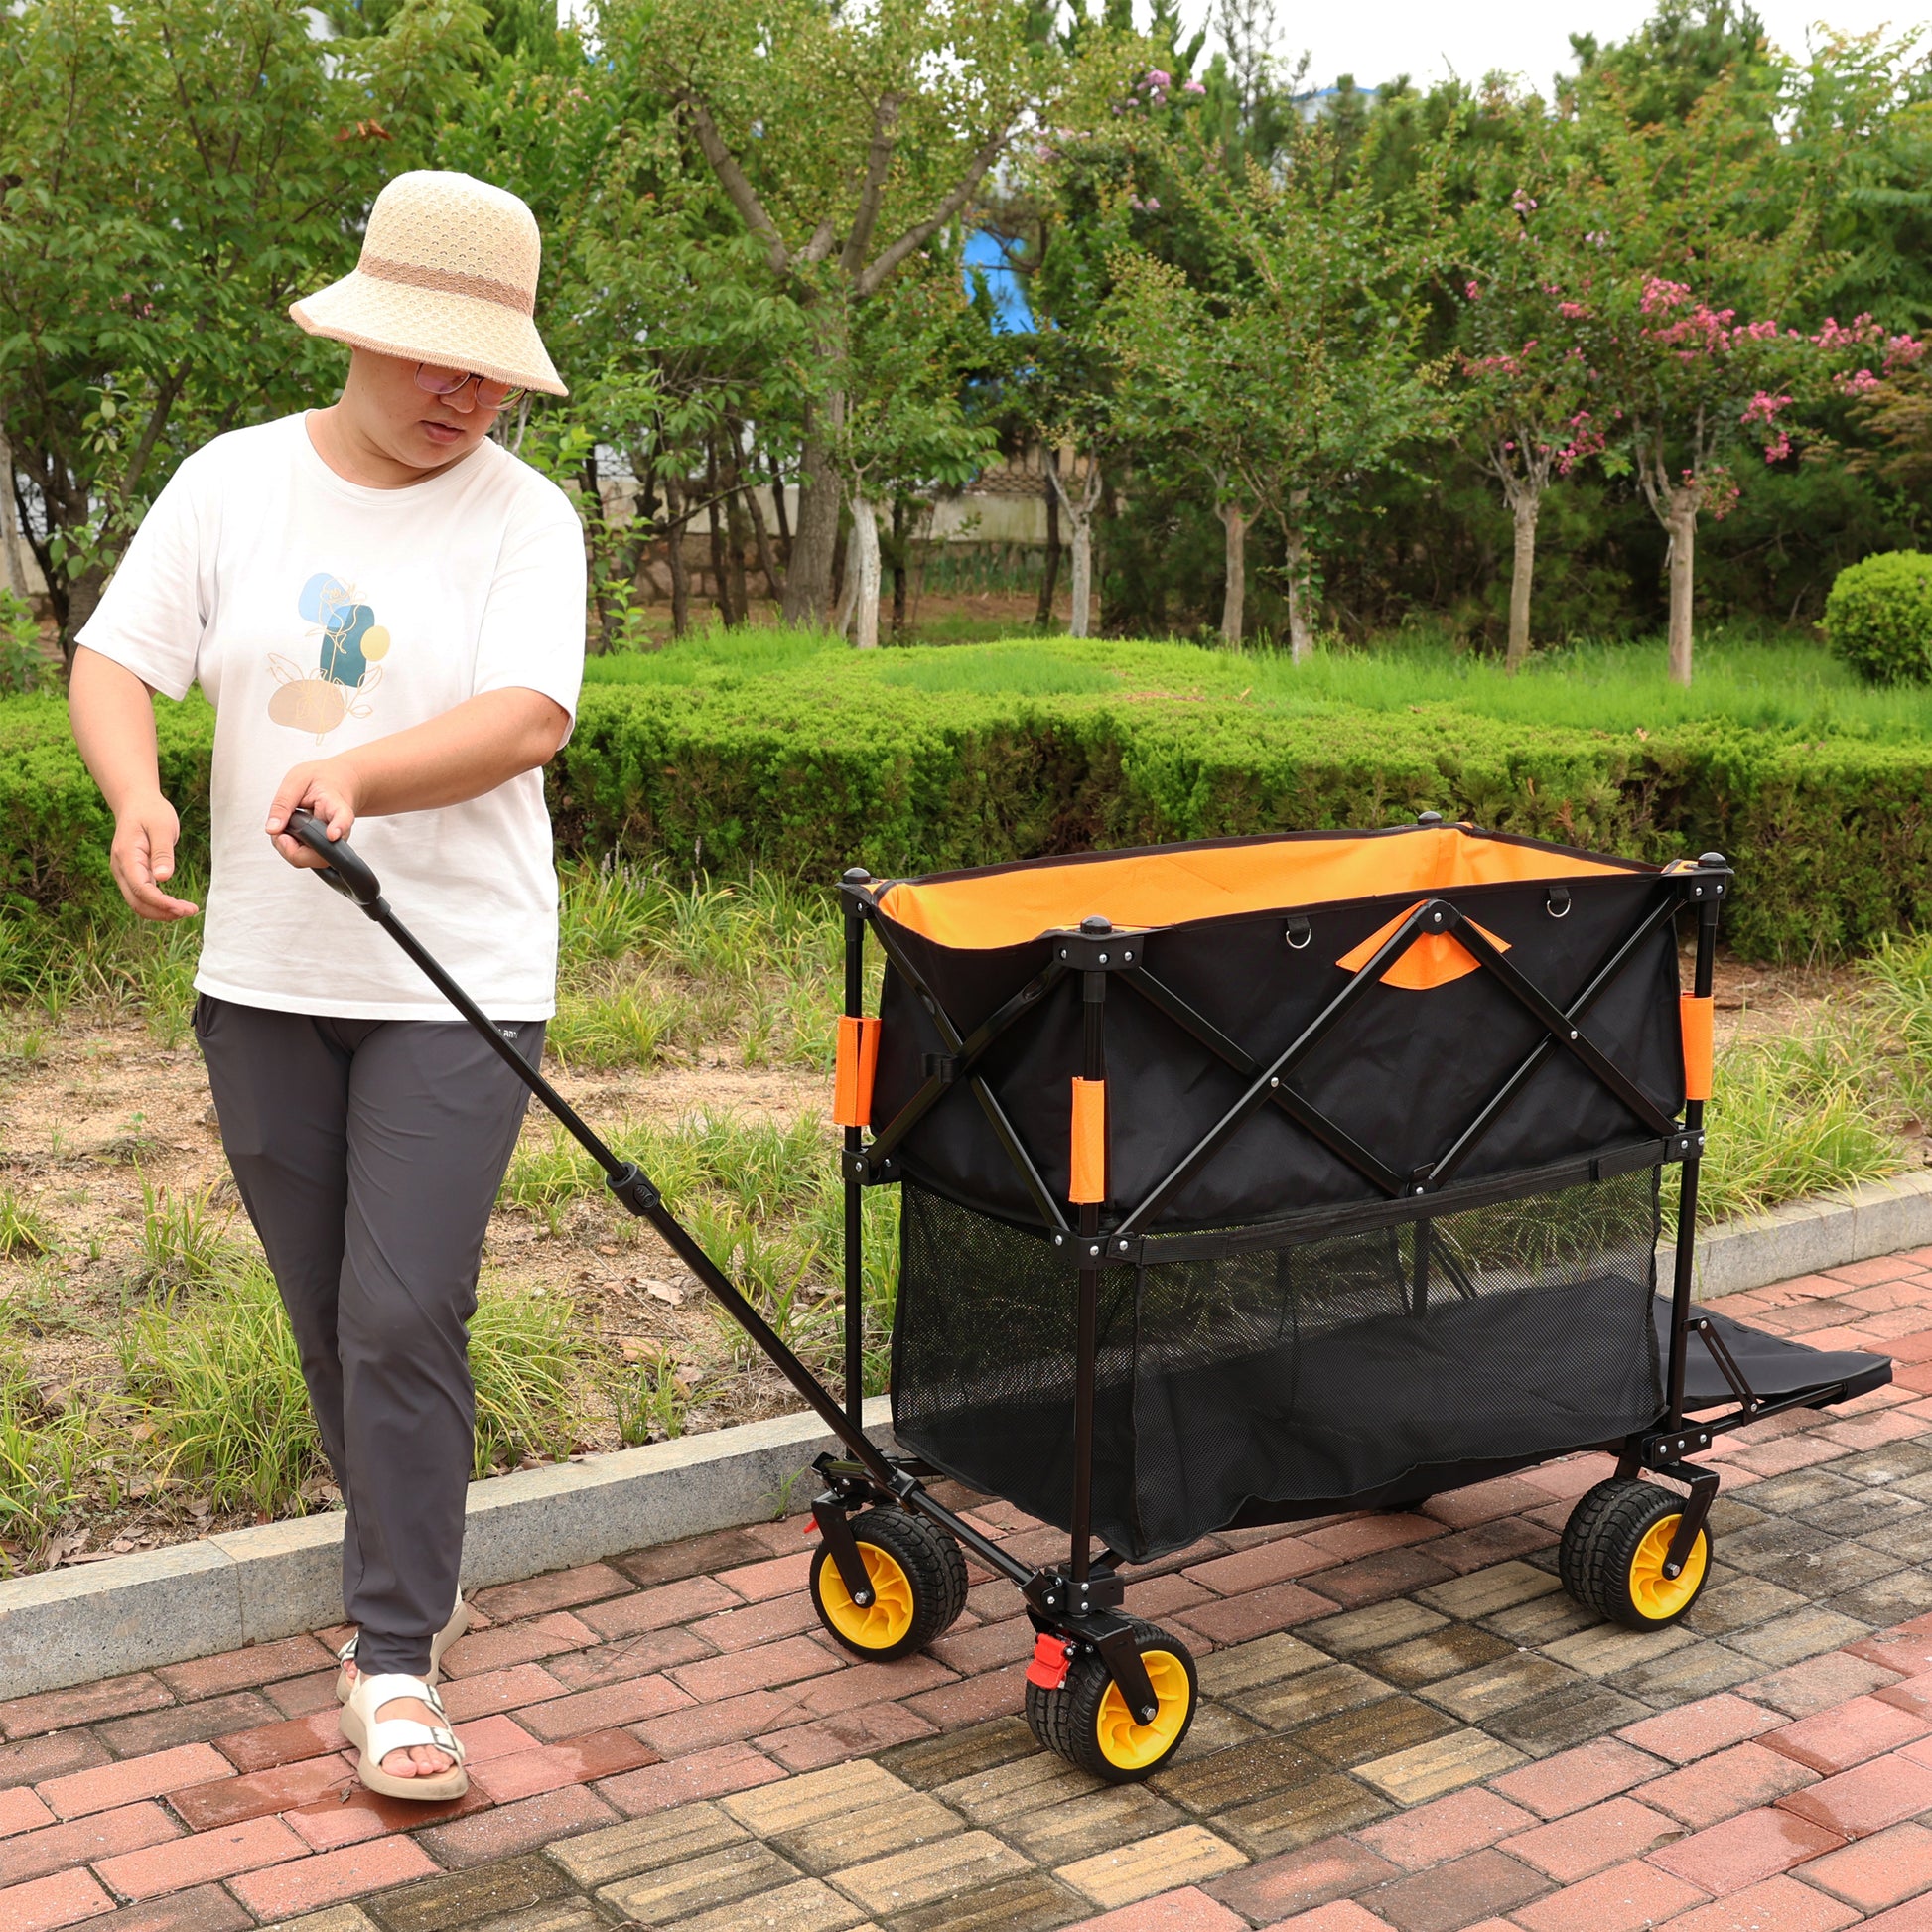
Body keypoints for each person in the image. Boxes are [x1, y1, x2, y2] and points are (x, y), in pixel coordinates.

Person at [68, 171, 586, 1802]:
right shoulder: (231, 484)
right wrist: (134, 791)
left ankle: (392, 1655)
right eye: (440, 357)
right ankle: (411, 1554)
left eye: (492, 368)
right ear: (360, 331)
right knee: (330, 1320)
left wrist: (359, 773)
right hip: (264, 974)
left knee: (400, 1304)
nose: (468, 393)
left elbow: (526, 717)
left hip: (459, 973)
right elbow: (113, 658)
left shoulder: (525, 516)